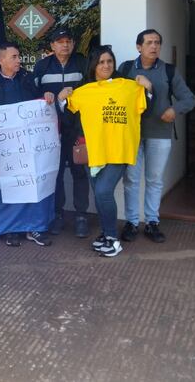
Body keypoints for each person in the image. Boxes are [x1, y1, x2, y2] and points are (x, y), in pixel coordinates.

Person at [58, 46, 152, 257]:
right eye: (101, 62)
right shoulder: (83, 91)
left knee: (102, 192)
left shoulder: (129, 87)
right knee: (101, 195)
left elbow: (146, 107)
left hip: (119, 150)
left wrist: (148, 89)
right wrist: (62, 100)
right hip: (94, 152)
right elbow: (69, 117)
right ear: (93, 65)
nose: (106, 65)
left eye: (109, 61)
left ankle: (112, 238)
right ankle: (105, 234)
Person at [118, 29, 195, 243]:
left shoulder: (169, 71)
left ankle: (152, 222)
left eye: (158, 42)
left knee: (154, 180)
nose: (154, 46)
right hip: (131, 134)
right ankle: (132, 222)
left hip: (159, 134)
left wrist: (175, 109)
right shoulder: (125, 69)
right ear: (138, 47)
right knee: (131, 180)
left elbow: (189, 98)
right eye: (149, 42)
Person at [0, 43, 54, 247]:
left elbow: (40, 100)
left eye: (18, 56)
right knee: (10, 185)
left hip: (29, 144)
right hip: (4, 147)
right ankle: (11, 228)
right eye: (14, 57)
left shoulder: (27, 78)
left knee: (32, 183)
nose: (18, 60)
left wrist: (47, 96)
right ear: (1, 60)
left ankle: (34, 228)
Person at [32, 27, 91, 238]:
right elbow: (33, 95)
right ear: (52, 46)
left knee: (79, 173)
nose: (65, 45)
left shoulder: (83, 63)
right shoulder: (41, 67)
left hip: (78, 129)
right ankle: (58, 215)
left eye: (68, 41)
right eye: (60, 41)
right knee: (55, 174)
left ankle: (81, 216)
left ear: (73, 44)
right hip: (51, 131)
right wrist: (46, 95)